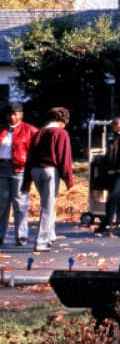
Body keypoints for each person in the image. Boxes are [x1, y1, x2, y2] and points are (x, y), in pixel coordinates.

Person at [21, 107, 74, 252]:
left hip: (35, 171)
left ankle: (50, 234)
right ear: (62, 120)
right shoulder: (61, 133)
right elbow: (64, 157)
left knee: (48, 202)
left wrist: (26, 180)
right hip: (50, 171)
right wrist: (69, 179)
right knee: (48, 206)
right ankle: (42, 241)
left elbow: (30, 156)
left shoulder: (38, 133)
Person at [0, 103, 38, 247]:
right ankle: (0, 235)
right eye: (10, 114)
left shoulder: (30, 130)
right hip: (2, 168)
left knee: (20, 204)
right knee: (2, 204)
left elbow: (38, 149)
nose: (12, 117)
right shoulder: (2, 129)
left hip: (20, 169)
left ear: (21, 115)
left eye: (15, 114)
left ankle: (21, 236)